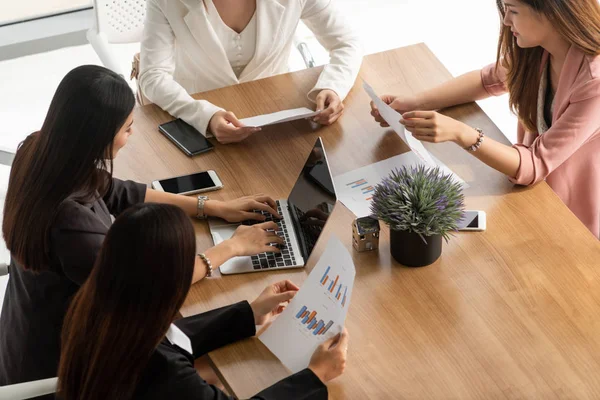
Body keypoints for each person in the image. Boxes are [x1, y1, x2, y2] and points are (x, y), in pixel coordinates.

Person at [0, 65, 285, 390]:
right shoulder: (72, 228)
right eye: (128, 128)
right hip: (62, 369)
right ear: (96, 136)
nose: (131, 135)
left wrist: (213, 207)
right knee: (222, 370)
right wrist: (230, 249)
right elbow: (154, 288)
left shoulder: (39, 151)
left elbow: (118, 191)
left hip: (25, 337)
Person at [57, 203, 348, 400]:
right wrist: (315, 375)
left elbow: (171, 338)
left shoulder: (99, 307)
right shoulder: (166, 374)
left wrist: (249, 314)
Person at [370, 0, 600, 238]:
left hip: (572, 218)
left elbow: (536, 163)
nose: (506, 20)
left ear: (552, 12)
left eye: (513, 11)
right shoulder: (538, 49)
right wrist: (414, 103)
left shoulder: (594, 81)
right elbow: (486, 80)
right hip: (531, 196)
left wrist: (462, 134)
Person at [139, 0, 363, 143]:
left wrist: (333, 86)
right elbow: (153, 75)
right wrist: (205, 116)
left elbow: (347, 42)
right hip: (198, 126)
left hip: (276, 123)